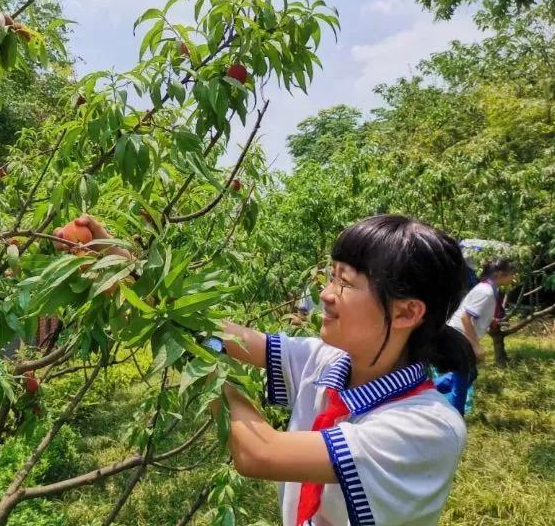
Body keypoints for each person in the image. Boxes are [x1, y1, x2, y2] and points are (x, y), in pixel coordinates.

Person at [211, 215, 475, 526]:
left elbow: (258, 453)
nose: (325, 294)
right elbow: (242, 340)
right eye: (332, 276)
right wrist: (158, 290)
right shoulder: (329, 360)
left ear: (405, 312)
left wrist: (209, 368)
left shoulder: (429, 427)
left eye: (345, 282)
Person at [436, 258, 515, 414]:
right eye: (511, 273)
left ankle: (427, 390)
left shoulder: (488, 289)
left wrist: (490, 320)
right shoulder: (485, 292)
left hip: (460, 335)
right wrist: (476, 346)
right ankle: (455, 415)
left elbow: (474, 313)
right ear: (500, 274)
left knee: (468, 374)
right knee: (463, 378)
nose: (513, 276)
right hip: (459, 336)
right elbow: (466, 317)